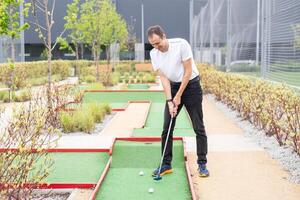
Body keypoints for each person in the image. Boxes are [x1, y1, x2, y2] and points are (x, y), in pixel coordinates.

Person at [148, 25, 209, 177]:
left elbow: (188, 71)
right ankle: (166, 164)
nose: (156, 47)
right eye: (153, 44)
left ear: (164, 36)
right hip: (174, 87)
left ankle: (202, 164)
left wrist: (179, 95)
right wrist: (170, 100)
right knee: (167, 127)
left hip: (191, 86)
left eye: (158, 43)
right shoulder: (154, 53)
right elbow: (163, 77)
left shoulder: (181, 44)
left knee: (198, 127)